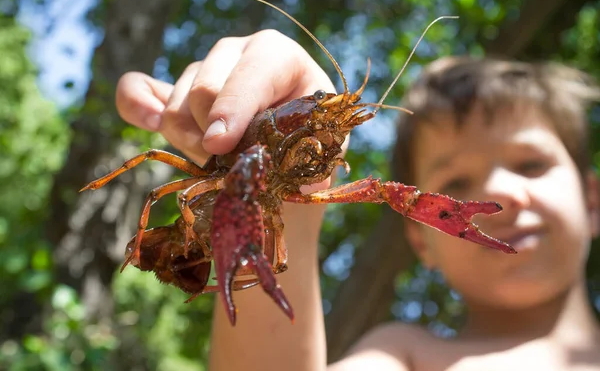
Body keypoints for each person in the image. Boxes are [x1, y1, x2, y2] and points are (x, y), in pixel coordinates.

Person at [114, 29, 600, 370]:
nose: (500, 190)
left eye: (531, 164)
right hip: (223, 199)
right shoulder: (403, 356)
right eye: (458, 179)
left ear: (593, 199)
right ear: (421, 241)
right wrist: (295, 204)